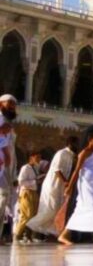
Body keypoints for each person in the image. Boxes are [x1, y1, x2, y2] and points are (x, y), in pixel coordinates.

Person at [59, 125, 93, 245]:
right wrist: (70, 187)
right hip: (87, 186)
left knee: (81, 210)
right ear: (90, 138)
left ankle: (64, 235)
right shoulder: (84, 153)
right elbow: (77, 171)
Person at [27, 136, 78, 239]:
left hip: (61, 187)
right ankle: (30, 226)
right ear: (70, 143)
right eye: (76, 143)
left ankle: (52, 234)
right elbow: (57, 170)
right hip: (53, 185)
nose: (78, 146)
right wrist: (66, 182)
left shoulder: (72, 155)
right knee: (50, 209)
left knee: (57, 210)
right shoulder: (61, 153)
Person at [0, 94, 19, 242]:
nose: (12, 107)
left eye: (13, 105)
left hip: (7, 169)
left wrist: (13, 175)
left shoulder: (8, 124)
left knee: (3, 201)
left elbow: (12, 150)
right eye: (9, 104)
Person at [13, 151, 41, 242]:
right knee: (26, 215)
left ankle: (28, 235)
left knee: (33, 215)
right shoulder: (25, 168)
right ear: (31, 157)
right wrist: (34, 182)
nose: (39, 160)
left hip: (34, 192)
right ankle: (18, 234)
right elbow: (21, 181)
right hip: (26, 192)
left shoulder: (35, 168)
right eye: (37, 157)